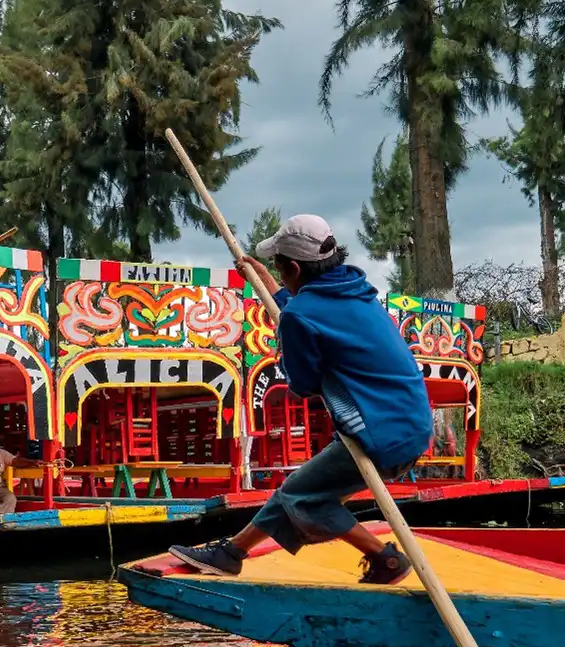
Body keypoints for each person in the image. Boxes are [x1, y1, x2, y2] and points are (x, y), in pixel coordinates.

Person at [169, 214, 433, 585]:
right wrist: (271, 288)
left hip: (380, 431)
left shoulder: (300, 316)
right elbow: (311, 316)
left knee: (305, 499)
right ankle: (231, 554)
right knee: (295, 490)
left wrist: (287, 325)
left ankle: (385, 558)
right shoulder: (354, 288)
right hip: (409, 421)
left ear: (293, 267)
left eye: (280, 268)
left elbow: (304, 384)